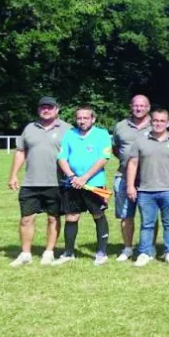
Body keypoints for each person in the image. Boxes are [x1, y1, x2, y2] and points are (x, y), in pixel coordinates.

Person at [8, 97, 71, 267]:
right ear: (38, 110)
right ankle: (25, 253)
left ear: (57, 109)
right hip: (30, 182)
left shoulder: (67, 129)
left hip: (56, 182)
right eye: (43, 107)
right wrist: (13, 175)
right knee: (26, 219)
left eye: (50, 107)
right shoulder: (29, 128)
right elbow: (21, 152)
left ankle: (49, 252)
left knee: (53, 218)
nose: (46, 110)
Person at [124, 109, 169, 266]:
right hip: (146, 190)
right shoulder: (140, 141)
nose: (158, 123)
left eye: (162, 121)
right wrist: (131, 186)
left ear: (168, 123)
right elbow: (132, 163)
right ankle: (145, 253)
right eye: (156, 120)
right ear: (151, 122)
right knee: (147, 224)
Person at [56, 106, 113, 265]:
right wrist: (72, 176)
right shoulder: (69, 134)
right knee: (71, 216)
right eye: (79, 118)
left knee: (98, 215)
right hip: (72, 184)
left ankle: (101, 253)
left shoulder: (102, 134)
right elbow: (61, 157)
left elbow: (104, 157)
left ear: (93, 119)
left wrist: (85, 178)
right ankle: (68, 253)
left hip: (94, 184)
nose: (82, 121)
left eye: (85, 118)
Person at [112, 95, 151, 262]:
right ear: (131, 106)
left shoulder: (156, 124)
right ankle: (128, 248)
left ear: (148, 107)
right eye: (136, 105)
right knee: (126, 214)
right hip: (123, 175)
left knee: (149, 215)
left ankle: (149, 247)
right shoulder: (120, 126)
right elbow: (115, 148)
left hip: (149, 177)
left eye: (142, 106)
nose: (139, 108)